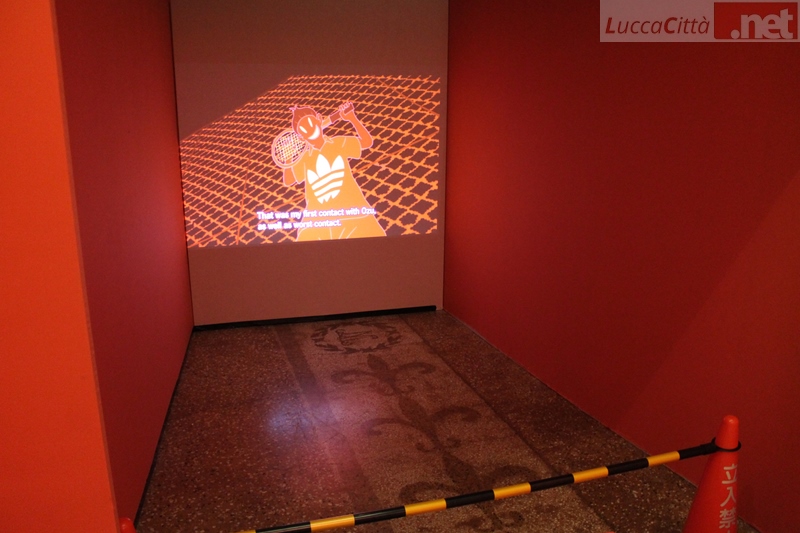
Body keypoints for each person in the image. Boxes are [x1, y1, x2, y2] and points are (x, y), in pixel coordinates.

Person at [282, 101, 386, 241]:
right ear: (300, 136)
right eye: (303, 129)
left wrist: (352, 118)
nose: (309, 129)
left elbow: (367, 142)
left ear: (319, 119)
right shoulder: (304, 158)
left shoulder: (338, 142)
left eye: (311, 123)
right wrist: (288, 156)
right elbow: (288, 180)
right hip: (317, 221)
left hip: (353, 213)